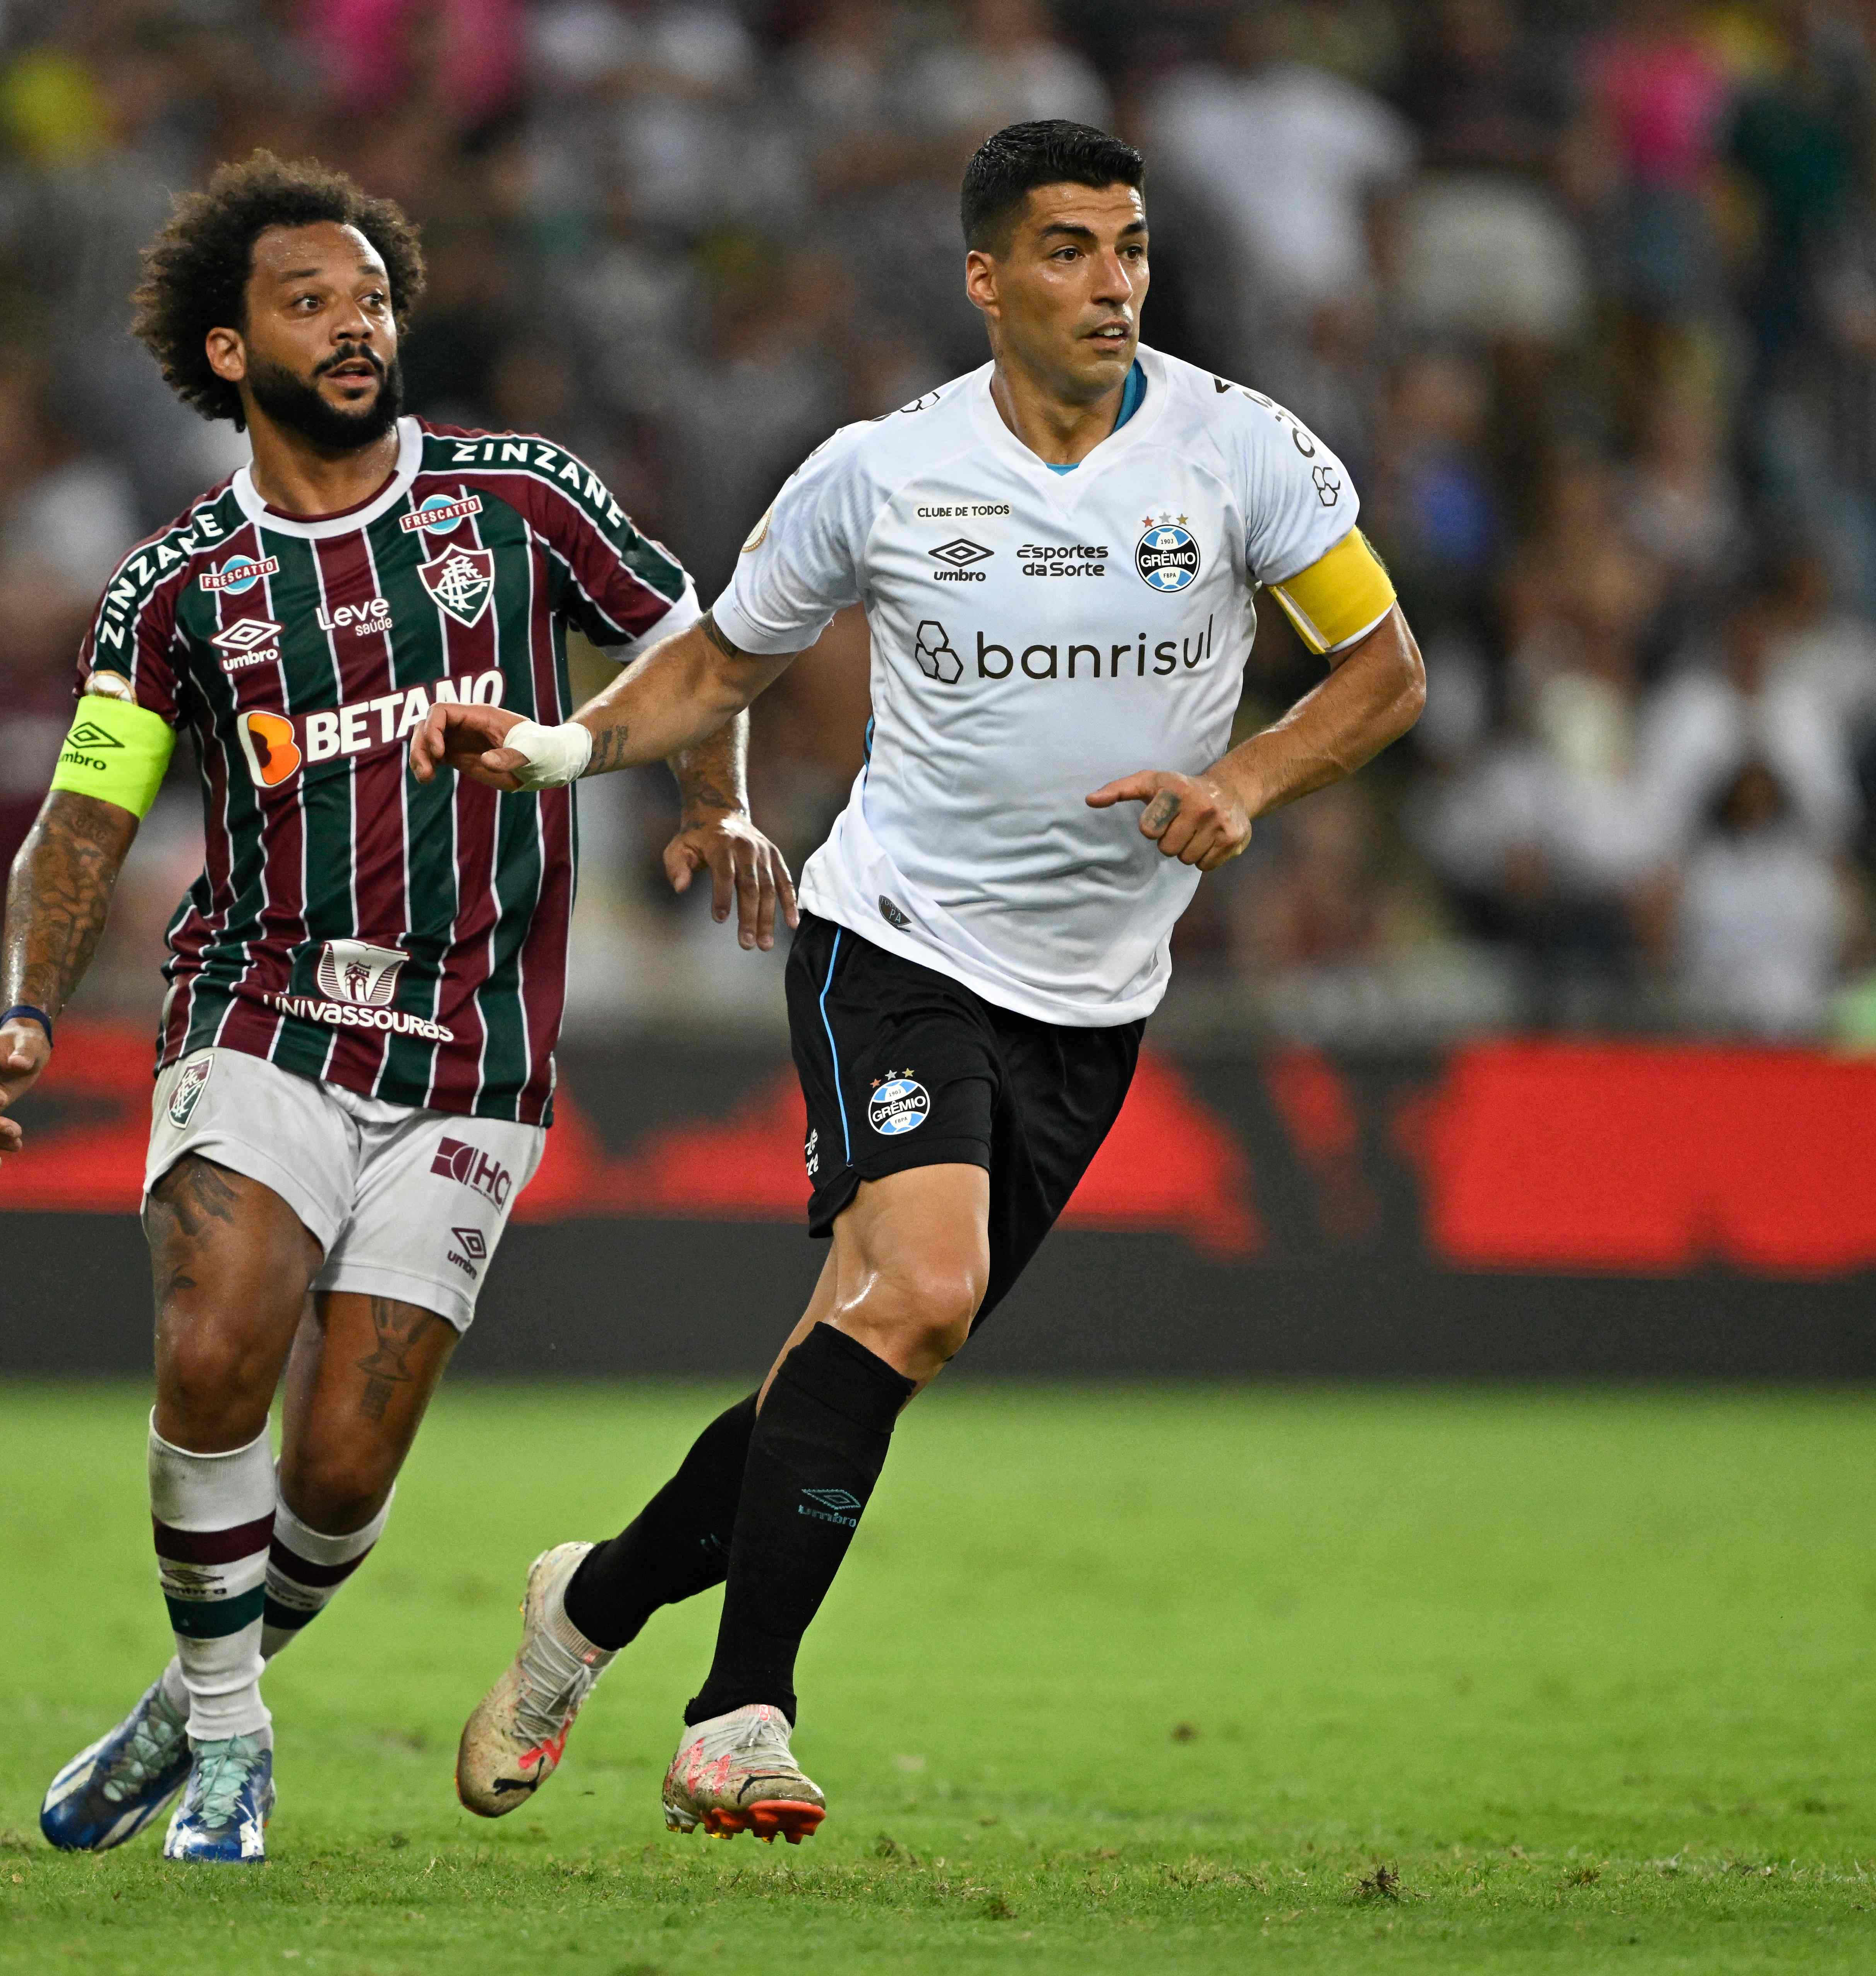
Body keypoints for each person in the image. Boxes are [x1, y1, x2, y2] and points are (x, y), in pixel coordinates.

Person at [414, 120, 1426, 1842]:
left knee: (864, 1343)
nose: (1110, 282)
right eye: (1066, 250)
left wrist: (1246, 784)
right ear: (984, 279)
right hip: (894, 945)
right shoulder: (882, 473)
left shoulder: (1240, 452)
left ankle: (585, 1606)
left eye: (1128, 248)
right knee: (927, 1287)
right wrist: (564, 747)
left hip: (1094, 1002)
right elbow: (721, 663)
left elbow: (1384, 669)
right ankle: (740, 1716)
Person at [0, 151, 790, 1865]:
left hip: (478, 1044)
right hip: (259, 1011)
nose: (354, 327)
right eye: (308, 303)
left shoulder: (516, 499)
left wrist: (717, 796)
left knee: (335, 1475)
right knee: (217, 1333)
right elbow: (86, 811)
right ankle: (240, 1746)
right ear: (230, 351)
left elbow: (693, 636)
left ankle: (183, 1705)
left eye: (372, 298)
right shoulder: (176, 588)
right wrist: (30, 1004)